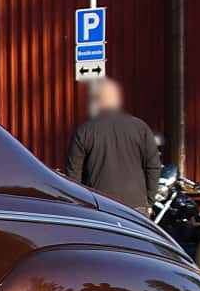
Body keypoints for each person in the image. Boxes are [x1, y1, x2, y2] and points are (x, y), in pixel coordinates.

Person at [63, 79, 160, 211]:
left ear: (97, 101)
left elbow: (73, 174)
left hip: (100, 205)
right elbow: (153, 167)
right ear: (117, 100)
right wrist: (149, 200)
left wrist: (81, 204)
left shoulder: (84, 131)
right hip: (136, 205)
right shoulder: (140, 128)